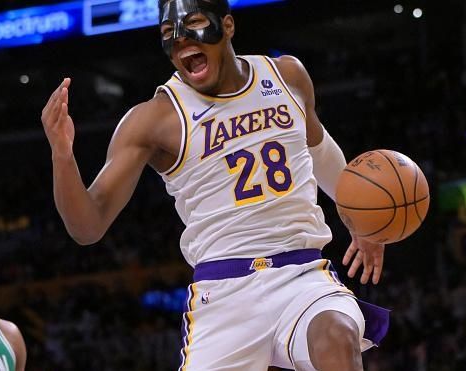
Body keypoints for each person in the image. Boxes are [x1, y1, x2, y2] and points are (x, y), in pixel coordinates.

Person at [41, 0, 389, 369]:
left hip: (302, 277)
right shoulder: (155, 118)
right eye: (167, 35)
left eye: (193, 23)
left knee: (337, 335)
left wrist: (359, 213)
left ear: (227, 26)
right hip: (223, 295)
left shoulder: (286, 75)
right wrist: (62, 156)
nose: (180, 40)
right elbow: (87, 227)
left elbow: (316, 148)